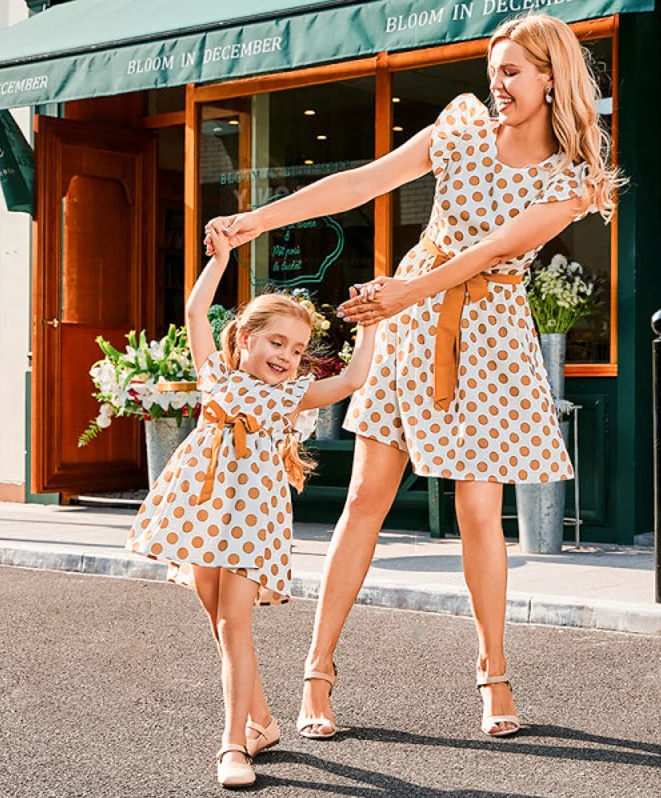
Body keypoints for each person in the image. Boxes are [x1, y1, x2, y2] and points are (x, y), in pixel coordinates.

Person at [206, 13, 622, 740]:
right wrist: (256, 219)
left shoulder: (572, 178)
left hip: (489, 337)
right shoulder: (461, 126)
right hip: (409, 327)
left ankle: (494, 675)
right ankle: (317, 673)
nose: (498, 85)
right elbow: (362, 182)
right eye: (493, 72)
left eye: (513, 72)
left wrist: (404, 293)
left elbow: (494, 250)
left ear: (551, 77)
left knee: (479, 514)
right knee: (366, 496)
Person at [125, 227, 377, 787]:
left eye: (295, 348)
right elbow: (196, 311)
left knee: (235, 625)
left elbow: (356, 378)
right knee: (217, 621)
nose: (286, 356)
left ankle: (232, 745)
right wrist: (221, 259)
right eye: (276, 342)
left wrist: (371, 324)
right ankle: (260, 722)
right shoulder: (217, 374)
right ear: (245, 338)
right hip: (203, 508)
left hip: (249, 522)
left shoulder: (289, 395)